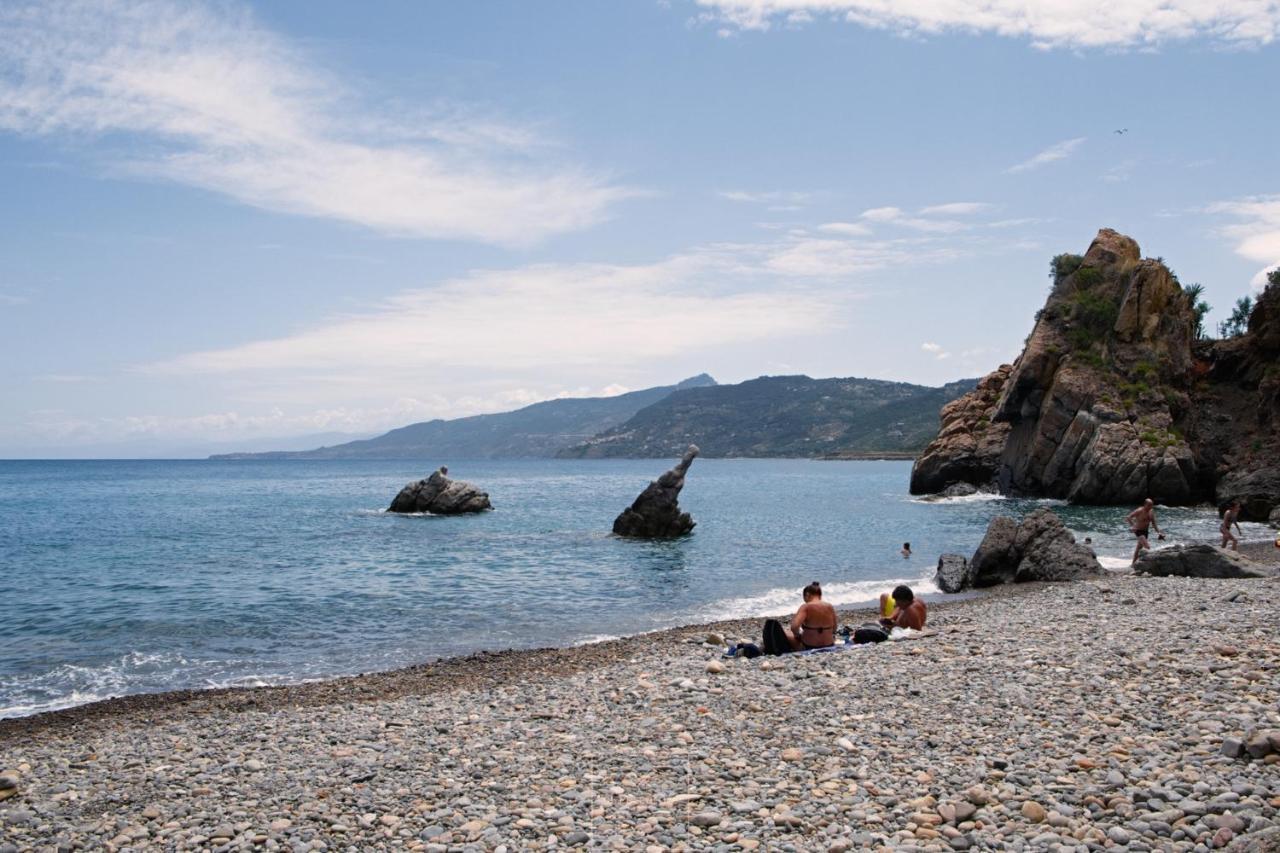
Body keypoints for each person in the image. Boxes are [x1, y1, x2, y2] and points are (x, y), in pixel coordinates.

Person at [762, 582, 837, 654]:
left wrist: (798, 636)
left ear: (807, 595)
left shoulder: (806, 607)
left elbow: (794, 627)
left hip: (809, 646)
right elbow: (834, 628)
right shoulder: (829, 606)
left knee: (786, 632)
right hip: (829, 644)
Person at [1126, 498, 1164, 566]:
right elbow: (1128, 517)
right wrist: (1133, 526)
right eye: (1149, 505)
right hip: (1138, 531)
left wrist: (1159, 532)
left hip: (1145, 532)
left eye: (1151, 505)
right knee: (1147, 547)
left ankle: (1133, 564)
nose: (1150, 507)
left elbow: (1154, 523)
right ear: (1145, 504)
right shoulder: (1139, 510)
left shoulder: (1151, 512)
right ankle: (1146, 564)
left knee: (1138, 549)